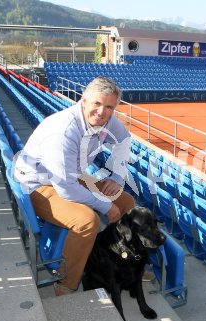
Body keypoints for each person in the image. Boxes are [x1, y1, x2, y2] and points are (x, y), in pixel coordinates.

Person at [13, 76, 135, 295]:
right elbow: (66, 188)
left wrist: (117, 177)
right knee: (87, 220)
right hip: (39, 183)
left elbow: (124, 141)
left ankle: (118, 260)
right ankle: (66, 283)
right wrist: (106, 206)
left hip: (70, 175)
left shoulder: (107, 120)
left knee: (125, 201)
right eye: (97, 103)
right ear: (84, 100)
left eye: (109, 106)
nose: (102, 111)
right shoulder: (63, 131)